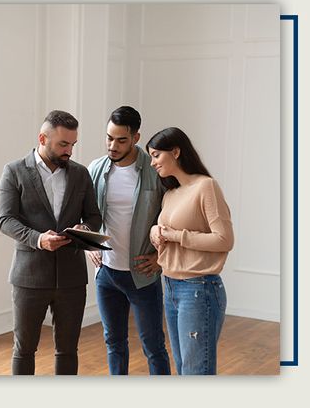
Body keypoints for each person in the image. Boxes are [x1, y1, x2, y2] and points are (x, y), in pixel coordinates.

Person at [0, 110, 102, 375]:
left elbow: (93, 215)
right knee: (24, 349)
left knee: (68, 350)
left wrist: (85, 228)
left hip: (72, 279)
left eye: (73, 144)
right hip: (29, 277)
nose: (69, 151)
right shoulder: (14, 171)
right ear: (42, 138)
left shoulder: (80, 174)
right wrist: (39, 239)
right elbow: (5, 220)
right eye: (63, 144)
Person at [87, 106, 171, 375]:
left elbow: (174, 217)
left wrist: (160, 258)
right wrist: (89, 245)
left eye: (121, 139)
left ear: (136, 137)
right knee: (114, 343)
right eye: (109, 138)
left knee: (153, 345)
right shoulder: (96, 169)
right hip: (107, 274)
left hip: (143, 276)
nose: (113, 145)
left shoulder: (154, 171)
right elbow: (85, 216)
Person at [146, 127, 234, 375]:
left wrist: (174, 236)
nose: (152, 163)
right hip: (171, 285)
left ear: (175, 151)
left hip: (199, 289)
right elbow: (166, 229)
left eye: (156, 155)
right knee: (185, 368)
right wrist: (155, 231)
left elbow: (224, 240)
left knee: (196, 372)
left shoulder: (206, 187)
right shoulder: (171, 193)